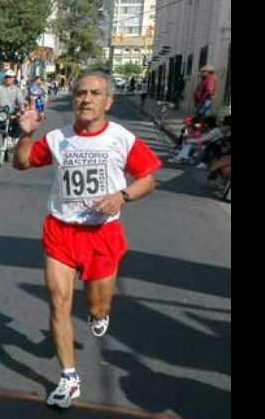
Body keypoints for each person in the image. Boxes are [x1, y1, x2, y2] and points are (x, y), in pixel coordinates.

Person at [13, 71, 162, 409]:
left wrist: (121, 196)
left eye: (95, 93)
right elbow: (21, 164)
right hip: (61, 231)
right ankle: (68, 378)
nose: (86, 99)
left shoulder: (121, 138)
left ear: (108, 101)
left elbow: (148, 179)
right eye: (81, 92)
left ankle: (97, 315)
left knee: (96, 306)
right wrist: (26, 135)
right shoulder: (58, 138)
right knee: (58, 301)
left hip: (102, 234)